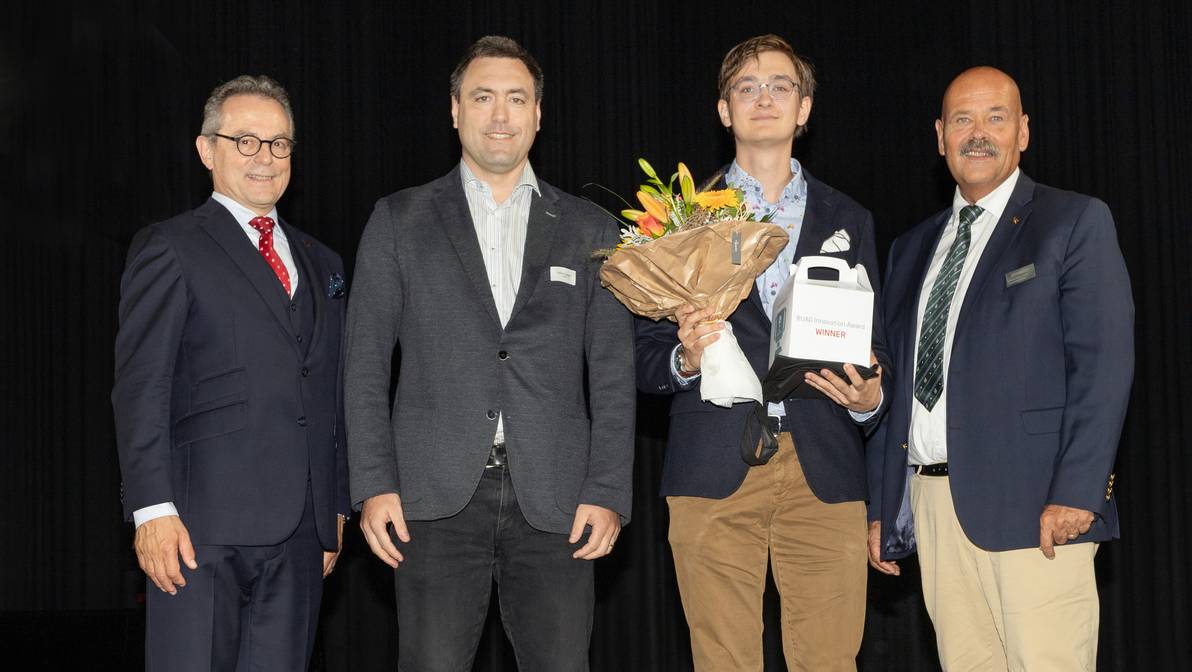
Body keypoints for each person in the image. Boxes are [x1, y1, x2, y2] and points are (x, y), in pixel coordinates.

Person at [344, 35, 635, 671]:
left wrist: (608, 489)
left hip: (558, 503)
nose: (499, 115)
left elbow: (613, 375)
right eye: (482, 97)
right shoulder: (397, 220)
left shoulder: (592, 229)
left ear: (538, 113)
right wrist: (372, 485)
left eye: (515, 98)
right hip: (430, 500)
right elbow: (363, 365)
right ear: (455, 110)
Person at [635, 34, 890, 672]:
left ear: (804, 109)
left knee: (830, 661)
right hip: (712, 460)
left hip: (825, 467)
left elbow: (875, 344)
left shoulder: (849, 217)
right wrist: (684, 358)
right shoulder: (679, 213)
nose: (764, 98)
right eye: (746, 88)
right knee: (722, 662)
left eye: (780, 86)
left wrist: (869, 398)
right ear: (724, 112)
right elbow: (641, 355)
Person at [867, 66, 1134, 671]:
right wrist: (885, 503)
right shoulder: (910, 248)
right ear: (940, 136)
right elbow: (897, 382)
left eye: (996, 117)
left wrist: (1078, 492)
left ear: (1024, 132)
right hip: (932, 508)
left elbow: (1104, 367)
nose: (977, 133)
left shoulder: (1073, 222)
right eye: (962, 119)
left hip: (1038, 507)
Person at [112, 75, 349, 670]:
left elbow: (333, 390)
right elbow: (142, 387)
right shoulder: (170, 247)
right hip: (199, 530)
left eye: (278, 143)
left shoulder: (323, 261)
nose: (264, 157)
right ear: (206, 150)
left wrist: (336, 508)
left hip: (301, 533)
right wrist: (151, 510)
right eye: (245, 140)